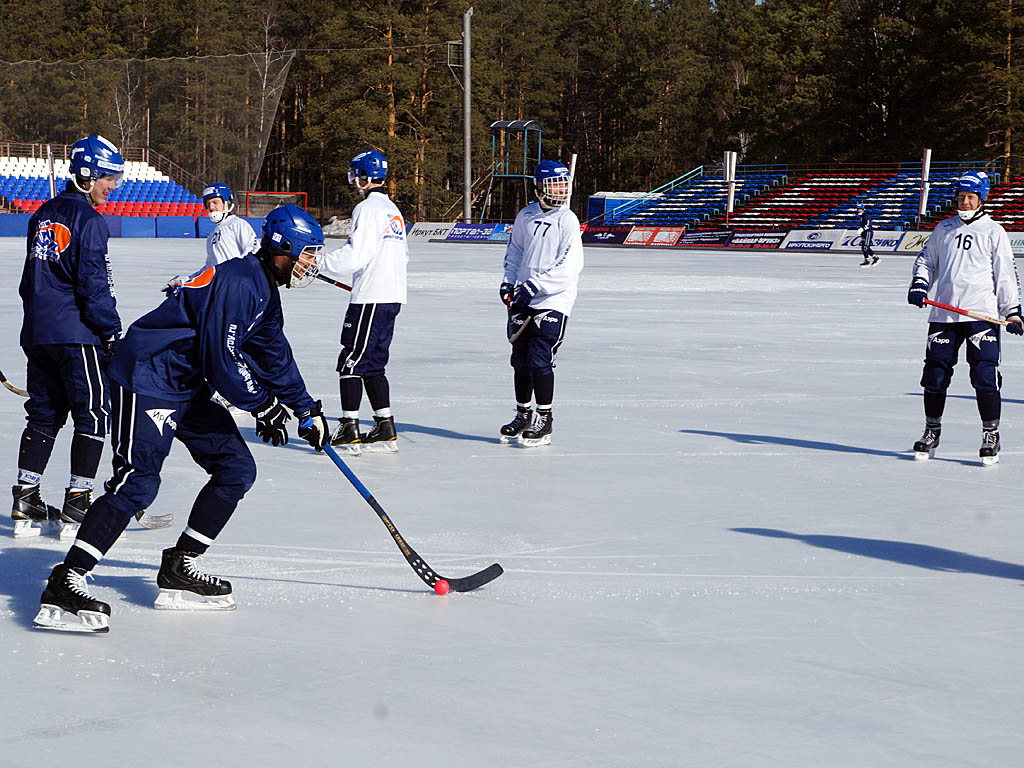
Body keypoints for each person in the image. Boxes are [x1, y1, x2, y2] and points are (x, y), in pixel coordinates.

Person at [33, 205, 331, 633]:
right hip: (148, 376)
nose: (311, 263)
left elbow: (272, 353)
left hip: (186, 384)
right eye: (307, 253)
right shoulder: (241, 283)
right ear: (282, 248)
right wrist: (262, 405)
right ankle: (66, 581)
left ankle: (180, 566)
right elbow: (222, 356)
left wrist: (306, 409)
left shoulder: (264, 289)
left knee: (235, 469)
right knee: (138, 484)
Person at [12, 134, 124, 541]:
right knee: (92, 413)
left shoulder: (40, 214)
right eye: (108, 178)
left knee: (44, 414)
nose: (112, 186)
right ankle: (79, 503)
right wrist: (111, 331)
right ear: (86, 175)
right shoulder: (90, 220)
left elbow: (29, 281)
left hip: (38, 331)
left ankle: (26, 498)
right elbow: (94, 284)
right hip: (77, 334)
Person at [907, 170, 1023, 465]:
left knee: (985, 377)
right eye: (961, 196)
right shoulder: (943, 228)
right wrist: (920, 284)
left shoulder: (993, 231)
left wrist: (1011, 311)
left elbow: (1006, 274)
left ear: (981, 198)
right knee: (934, 376)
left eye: (971, 197)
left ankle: (990, 434)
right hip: (944, 314)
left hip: (981, 315)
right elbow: (926, 261)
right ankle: (931, 430)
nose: (965, 201)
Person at [320, 150, 408, 455]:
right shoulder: (392, 209)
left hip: (371, 297)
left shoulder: (368, 208)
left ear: (363, 177)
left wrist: (319, 263)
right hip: (390, 296)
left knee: (352, 360)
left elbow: (355, 255)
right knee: (372, 365)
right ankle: (385, 428)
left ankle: (349, 427)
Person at [498, 160, 584, 447]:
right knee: (520, 361)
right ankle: (523, 413)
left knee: (539, 358)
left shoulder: (567, 219)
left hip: (553, 300)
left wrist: (536, 285)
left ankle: (544, 419)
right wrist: (509, 282)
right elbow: (515, 254)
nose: (560, 190)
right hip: (523, 298)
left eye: (563, 185)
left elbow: (569, 265)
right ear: (538, 188)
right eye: (554, 185)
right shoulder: (526, 216)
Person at [201, 182, 259, 268]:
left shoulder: (237, 224)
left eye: (215, 202)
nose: (211, 207)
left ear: (227, 203)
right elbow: (209, 270)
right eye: (208, 204)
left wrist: (235, 274)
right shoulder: (211, 236)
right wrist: (185, 280)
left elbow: (254, 252)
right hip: (221, 281)